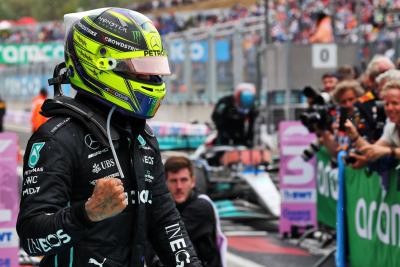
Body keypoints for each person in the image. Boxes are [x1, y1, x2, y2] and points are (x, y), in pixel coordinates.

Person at [17, 7, 202, 267]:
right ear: (101, 64)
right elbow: (31, 239)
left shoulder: (142, 136)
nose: (152, 79)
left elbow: (165, 221)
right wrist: (87, 213)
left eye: (155, 70)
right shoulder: (56, 138)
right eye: (142, 70)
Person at [147, 156, 226, 267]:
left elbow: (169, 237)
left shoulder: (201, 206)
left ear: (193, 182)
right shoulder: (166, 207)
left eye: (184, 180)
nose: (179, 186)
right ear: (165, 183)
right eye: (174, 181)